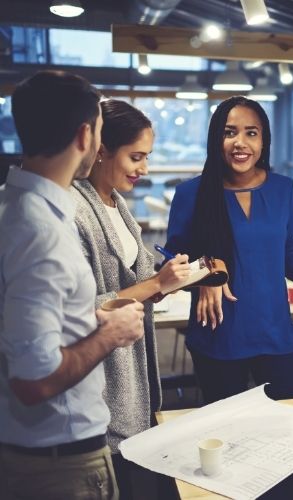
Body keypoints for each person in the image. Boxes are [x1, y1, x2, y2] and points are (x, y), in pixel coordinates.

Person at [0, 71, 144, 500]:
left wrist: (89, 317)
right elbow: (34, 381)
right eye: (100, 132)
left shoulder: (13, 204)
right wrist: (109, 334)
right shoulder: (40, 230)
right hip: (59, 460)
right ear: (85, 135)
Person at [166, 95, 293, 403]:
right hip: (218, 337)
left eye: (251, 133)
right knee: (228, 436)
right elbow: (172, 263)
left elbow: (288, 252)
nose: (240, 142)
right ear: (216, 138)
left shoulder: (282, 189)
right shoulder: (191, 194)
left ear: (264, 140)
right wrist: (206, 273)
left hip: (275, 333)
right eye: (229, 132)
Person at [71, 99, 191, 498]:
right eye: (136, 157)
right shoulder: (74, 209)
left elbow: (141, 282)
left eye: (148, 157)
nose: (145, 169)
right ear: (101, 149)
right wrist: (157, 283)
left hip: (133, 375)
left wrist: (171, 279)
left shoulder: (117, 203)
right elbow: (87, 309)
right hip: (102, 379)